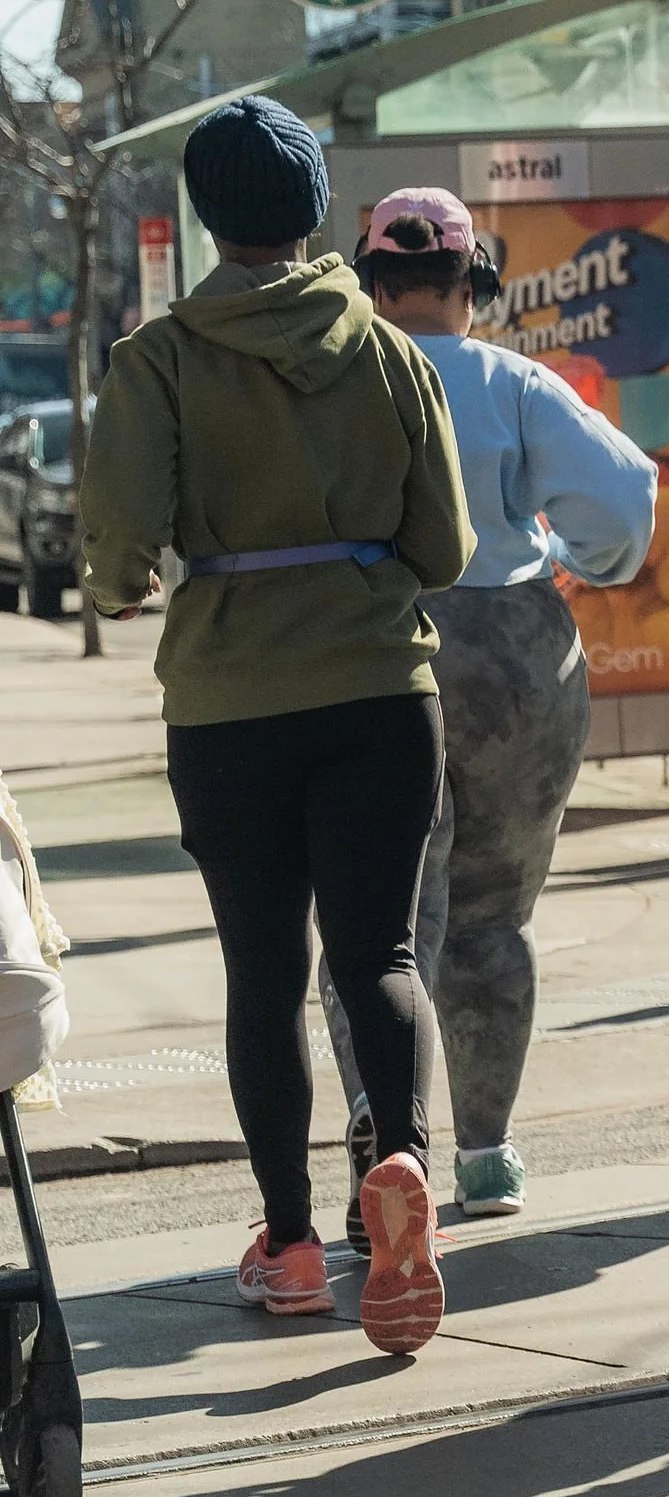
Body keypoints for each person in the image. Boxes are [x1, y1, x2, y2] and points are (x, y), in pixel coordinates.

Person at [80, 98, 472, 1355]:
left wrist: (140, 576)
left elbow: (114, 559)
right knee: (383, 959)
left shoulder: (159, 361)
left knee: (266, 975)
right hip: (379, 693)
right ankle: (403, 1162)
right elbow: (446, 549)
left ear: (207, 215)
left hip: (230, 704)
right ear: (315, 214)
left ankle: (293, 1244)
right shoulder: (388, 352)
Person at [318, 191, 659, 1234]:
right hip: (516, 657)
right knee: (494, 921)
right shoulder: (514, 381)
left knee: (379, 932)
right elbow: (624, 497)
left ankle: (388, 1132)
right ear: (473, 287)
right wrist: (581, 560)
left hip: (374, 651)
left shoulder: (336, 378)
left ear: (371, 285)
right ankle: (489, 1154)